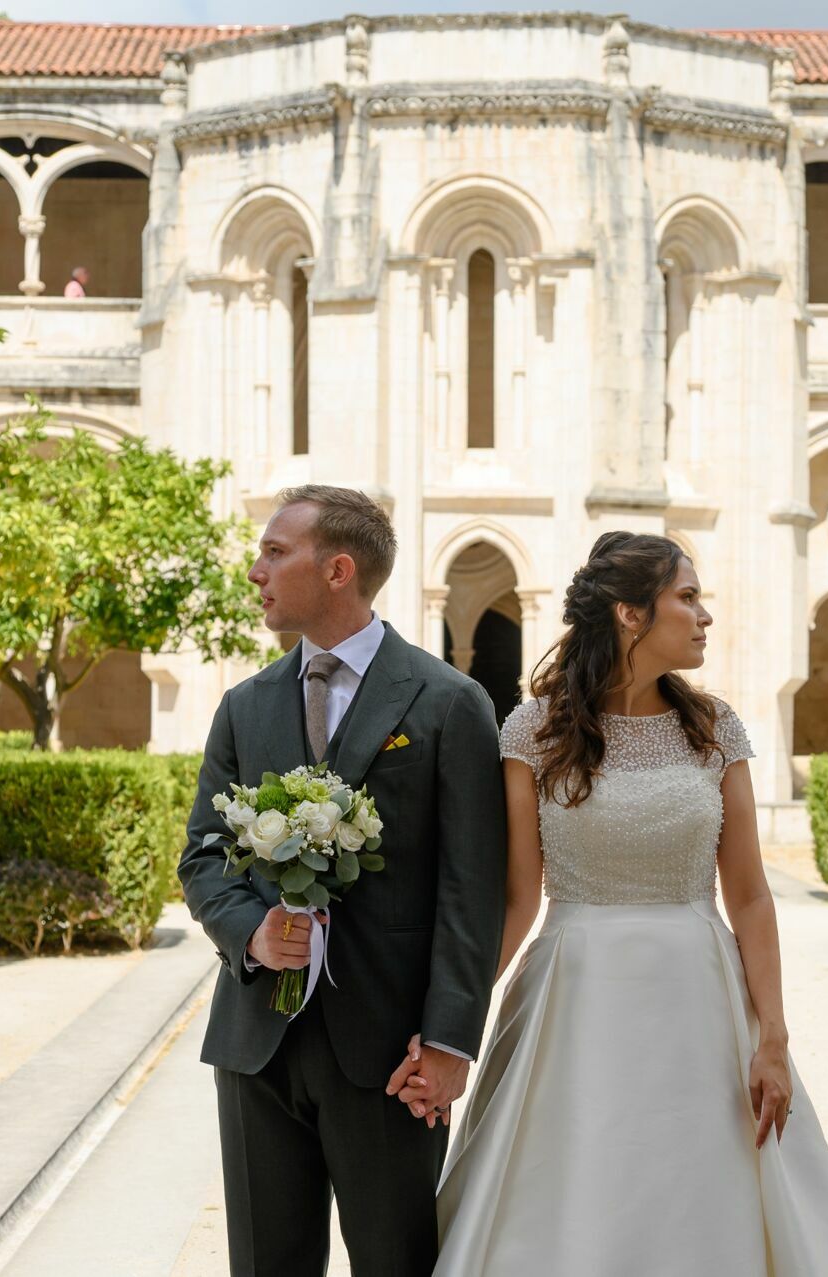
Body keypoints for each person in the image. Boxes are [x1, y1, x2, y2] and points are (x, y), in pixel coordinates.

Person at [429, 531, 828, 1276]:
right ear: (632, 615)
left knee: (704, 1193)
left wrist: (773, 1039)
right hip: (573, 1002)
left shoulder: (714, 729)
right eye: (688, 597)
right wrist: (449, 1024)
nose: (704, 616)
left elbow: (753, 897)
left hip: (701, 1002)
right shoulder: (532, 733)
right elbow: (518, 897)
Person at [177, 484, 508, 1277]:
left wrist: (452, 1040)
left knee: (396, 1263)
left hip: (392, 1056)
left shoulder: (449, 702)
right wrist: (251, 930)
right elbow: (203, 857)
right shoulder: (244, 705)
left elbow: (473, 887)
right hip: (256, 1043)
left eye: (273, 551)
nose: (256, 569)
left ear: (338, 570)